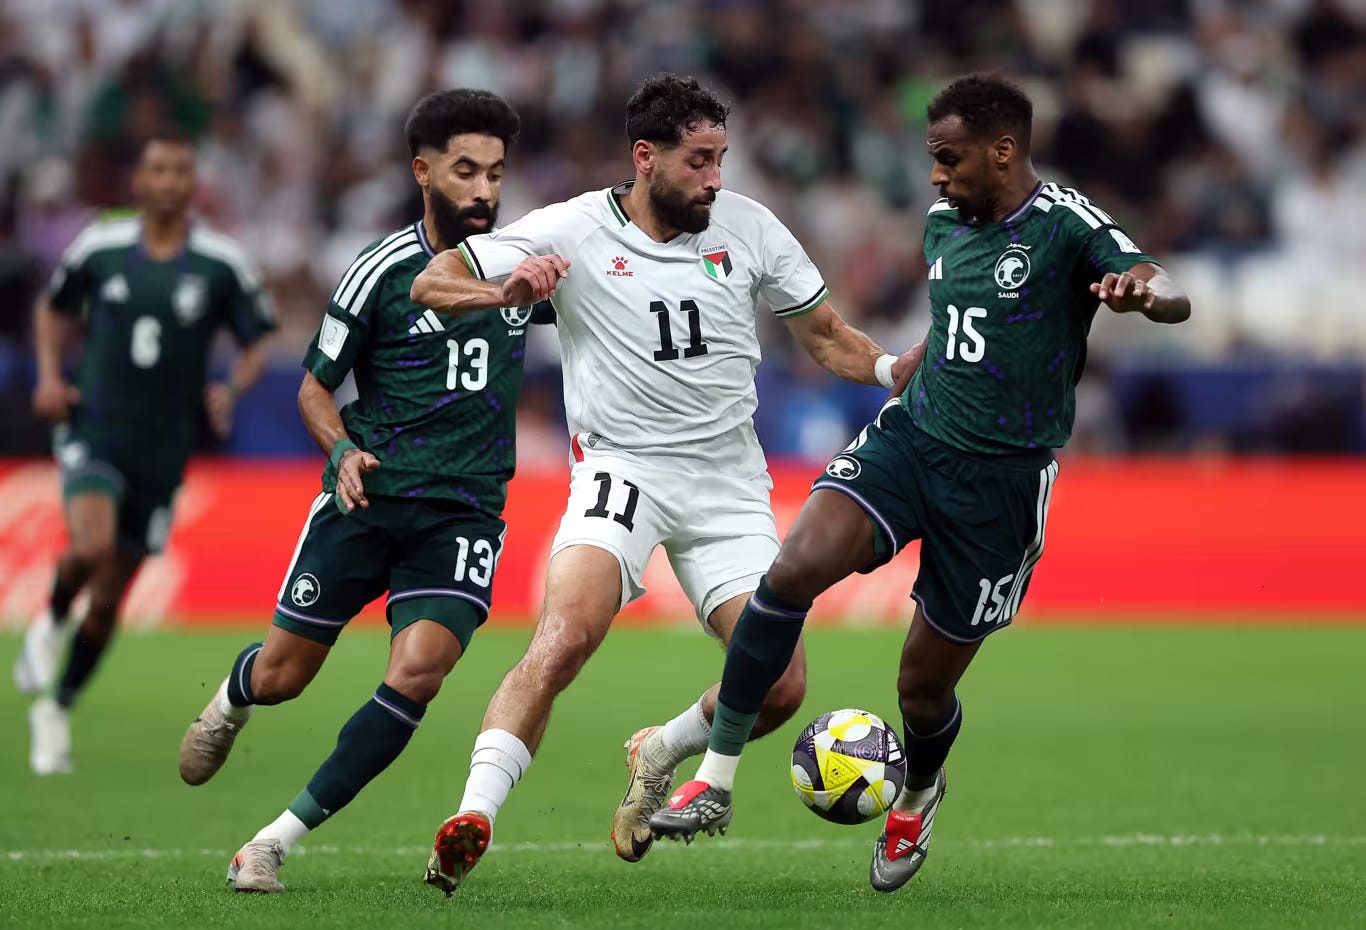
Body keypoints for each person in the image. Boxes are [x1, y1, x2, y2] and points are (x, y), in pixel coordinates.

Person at [651, 73, 1192, 893]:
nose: (935, 176)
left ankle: (918, 792)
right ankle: (714, 780)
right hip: (912, 440)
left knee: (921, 689)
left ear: (1002, 151)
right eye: (932, 158)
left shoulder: (1064, 224)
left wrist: (1144, 295)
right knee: (791, 571)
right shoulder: (942, 224)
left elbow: (1165, 285)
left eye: (949, 158)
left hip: (1001, 487)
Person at [410, 73, 919, 896]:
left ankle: (662, 749)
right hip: (621, 469)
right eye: (698, 160)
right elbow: (431, 281)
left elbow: (826, 335)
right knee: (565, 636)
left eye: (721, 158)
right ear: (645, 157)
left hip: (726, 483)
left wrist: (893, 369)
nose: (716, 177)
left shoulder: (750, 228)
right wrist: (502, 291)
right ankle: (473, 815)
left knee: (781, 686)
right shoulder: (572, 228)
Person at [176, 89, 541, 894]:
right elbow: (314, 386)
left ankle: (271, 841)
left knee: (418, 673)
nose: (484, 189)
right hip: (368, 497)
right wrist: (340, 448)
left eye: (495, 173)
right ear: (423, 172)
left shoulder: (525, 263)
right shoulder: (382, 269)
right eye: (466, 171)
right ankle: (235, 697)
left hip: (464, 511)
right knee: (284, 677)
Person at [17, 131, 274, 776]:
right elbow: (52, 309)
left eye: (179, 171)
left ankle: (57, 707)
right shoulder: (101, 246)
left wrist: (230, 387)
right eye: (156, 169)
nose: (167, 182)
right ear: (138, 181)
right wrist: (47, 376)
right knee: (88, 547)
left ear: (193, 185)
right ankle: (50, 620)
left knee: (109, 599)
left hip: (164, 447)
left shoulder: (219, 263)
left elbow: (255, 343)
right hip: (97, 425)